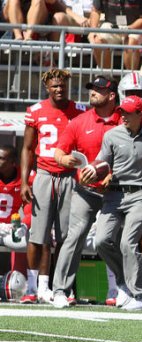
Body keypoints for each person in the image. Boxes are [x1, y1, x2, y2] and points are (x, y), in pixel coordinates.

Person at [94, 96, 142, 311]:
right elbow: (101, 164)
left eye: (128, 112)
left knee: (128, 243)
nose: (123, 116)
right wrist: (97, 176)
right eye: (122, 111)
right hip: (113, 195)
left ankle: (139, 295)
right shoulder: (111, 135)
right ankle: (124, 283)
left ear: (140, 114)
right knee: (101, 241)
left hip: (140, 195)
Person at [49, 76, 120, 308]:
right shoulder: (80, 121)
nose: (93, 93)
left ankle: (123, 288)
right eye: (92, 89)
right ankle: (60, 290)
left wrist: (114, 174)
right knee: (74, 236)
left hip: (115, 191)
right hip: (85, 190)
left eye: (99, 90)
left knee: (114, 241)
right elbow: (59, 151)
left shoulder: (123, 121)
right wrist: (66, 159)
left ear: (111, 96)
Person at [20, 68, 86, 304]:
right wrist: (25, 181)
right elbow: (27, 148)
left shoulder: (79, 111)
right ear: (47, 87)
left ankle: (61, 287)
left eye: (63, 85)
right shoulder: (36, 111)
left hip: (70, 176)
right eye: (55, 86)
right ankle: (33, 286)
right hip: (45, 174)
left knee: (67, 236)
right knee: (38, 235)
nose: (59, 89)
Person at [88, 0, 142, 69]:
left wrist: (129, 29)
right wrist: (93, 30)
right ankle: (106, 77)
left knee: (130, 42)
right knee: (96, 40)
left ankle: (130, 77)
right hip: (111, 25)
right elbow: (95, 11)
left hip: (136, 26)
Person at [0, 146, 27, 255]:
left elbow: (30, 208)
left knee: (29, 242)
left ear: (13, 162)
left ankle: (18, 271)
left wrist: (24, 225)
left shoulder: (25, 178)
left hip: (9, 229)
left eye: (1, 158)